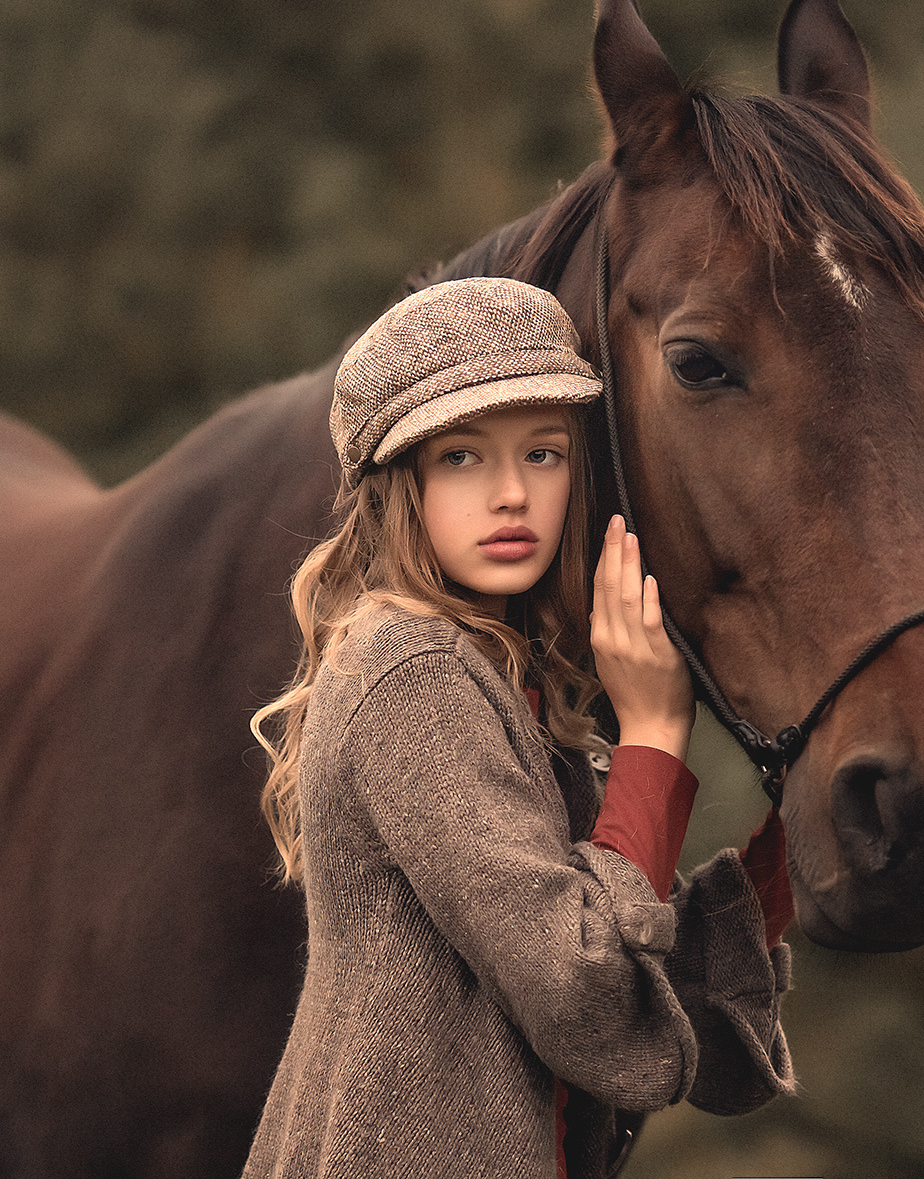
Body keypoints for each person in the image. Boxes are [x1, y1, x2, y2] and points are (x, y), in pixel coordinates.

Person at [243, 277, 794, 1179]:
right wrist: (655, 733)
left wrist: (785, 861)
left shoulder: (508, 679)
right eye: (461, 457)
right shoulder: (413, 669)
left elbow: (611, 962)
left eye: (543, 453)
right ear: (400, 484)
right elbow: (584, 993)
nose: (510, 493)